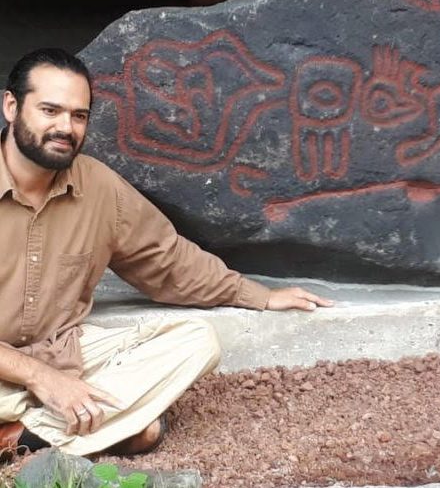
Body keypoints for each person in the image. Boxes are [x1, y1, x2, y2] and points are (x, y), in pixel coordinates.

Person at [0, 48, 332, 458]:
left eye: (79, 115)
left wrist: (258, 295)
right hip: (19, 365)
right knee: (146, 432)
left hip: (58, 352)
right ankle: (99, 427)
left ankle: (24, 433)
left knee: (196, 340)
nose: (65, 128)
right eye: (50, 111)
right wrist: (40, 378)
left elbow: (167, 259)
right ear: (11, 106)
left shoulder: (99, 187)